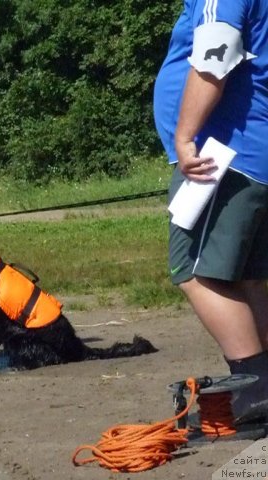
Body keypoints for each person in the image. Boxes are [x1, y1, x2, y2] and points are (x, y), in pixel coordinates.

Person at [154, 1, 268, 424]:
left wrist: (185, 137)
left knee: (195, 271)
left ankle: (254, 390)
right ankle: (261, 384)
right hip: (256, 153)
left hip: (221, 154)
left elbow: (216, 51)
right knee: (247, 276)